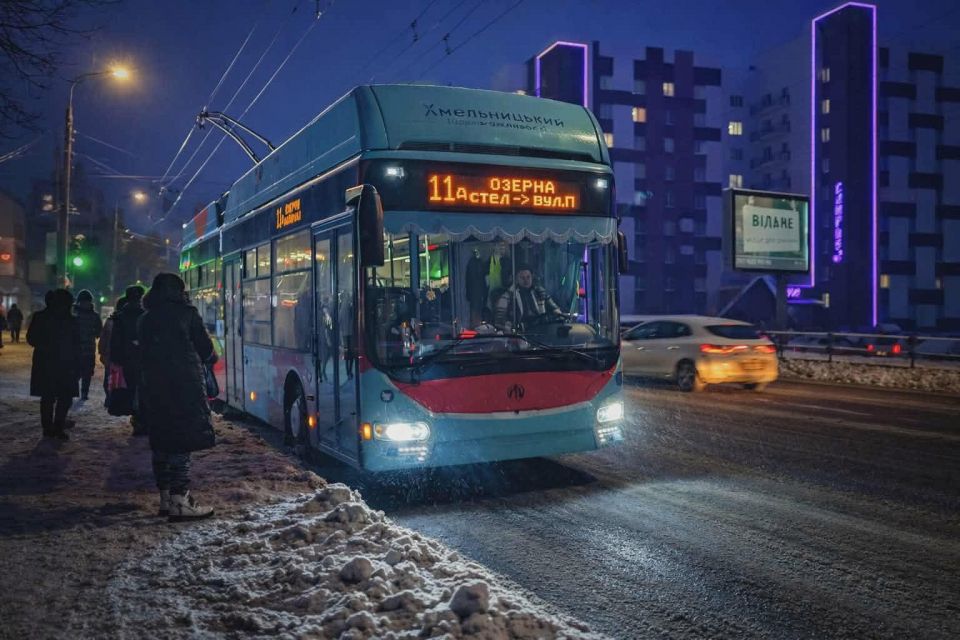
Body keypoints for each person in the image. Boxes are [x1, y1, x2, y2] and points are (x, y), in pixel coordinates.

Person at [138, 273, 216, 521]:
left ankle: (165, 498)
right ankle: (181, 500)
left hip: (153, 385)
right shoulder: (187, 314)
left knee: (160, 440)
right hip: (184, 385)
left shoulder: (146, 319)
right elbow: (206, 351)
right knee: (181, 441)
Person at [27, 289, 80, 439]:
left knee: (47, 398)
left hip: (45, 363)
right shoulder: (71, 320)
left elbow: (31, 339)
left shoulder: (40, 317)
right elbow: (77, 345)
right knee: (64, 397)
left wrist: (45, 346)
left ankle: (48, 428)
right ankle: (58, 427)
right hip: (66, 364)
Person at [111, 285, 146, 434]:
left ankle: (136, 419)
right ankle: (141, 420)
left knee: (131, 389)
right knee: (144, 390)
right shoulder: (147, 314)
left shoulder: (120, 316)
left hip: (127, 360)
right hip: (145, 359)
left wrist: (116, 359)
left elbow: (115, 341)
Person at [493, 265, 563, 330]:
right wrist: (514, 327)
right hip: (519, 334)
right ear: (516, 279)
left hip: (542, 330)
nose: (526, 280)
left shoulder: (539, 292)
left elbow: (556, 310)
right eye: (522, 278)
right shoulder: (507, 296)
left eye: (528, 277)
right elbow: (499, 322)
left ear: (532, 277)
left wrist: (560, 316)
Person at [73, 290, 103, 401]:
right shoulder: (76, 315)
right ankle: (77, 392)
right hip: (80, 350)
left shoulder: (76, 315)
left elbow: (99, 332)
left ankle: (83, 393)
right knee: (79, 373)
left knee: (84, 373)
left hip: (85, 350)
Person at [465, 248, 487, 327]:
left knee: (479, 309)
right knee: (475, 309)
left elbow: (483, 278)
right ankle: (475, 325)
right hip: (474, 292)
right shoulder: (472, 263)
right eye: (476, 252)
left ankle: (478, 324)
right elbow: (468, 279)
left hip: (479, 292)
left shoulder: (480, 262)